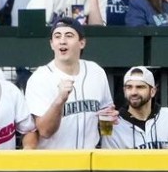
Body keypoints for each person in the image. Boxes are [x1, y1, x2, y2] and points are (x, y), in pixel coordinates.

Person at [25, 18, 115, 149]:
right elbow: (44, 131)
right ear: (51, 44)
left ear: (82, 43)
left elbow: (106, 121)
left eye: (69, 35)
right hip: (56, 161)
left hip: (89, 160)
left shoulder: (96, 71)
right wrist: (59, 101)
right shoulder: (40, 78)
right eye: (57, 36)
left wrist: (109, 122)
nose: (62, 41)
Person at [100, 66, 168, 149]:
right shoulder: (114, 125)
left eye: (140, 87)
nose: (134, 92)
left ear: (153, 91)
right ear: (124, 91)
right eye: (129, 87)